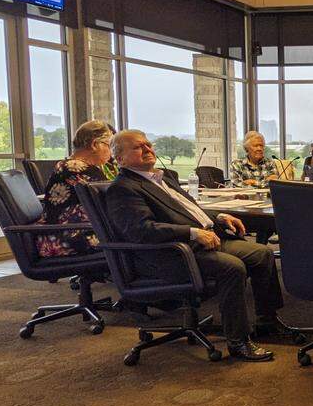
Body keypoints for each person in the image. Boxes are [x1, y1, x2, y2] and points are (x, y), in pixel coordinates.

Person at [105, 129, 282, 362]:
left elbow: (190, 210)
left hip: (202, 241)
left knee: (262, 254)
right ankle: (238, 341)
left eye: (148, 144)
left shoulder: (163, 178)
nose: (148, 149)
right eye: (139, 147)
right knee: (233, 267)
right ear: (120, 159)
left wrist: (218, 217)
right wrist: (192, 233)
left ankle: (267, 322)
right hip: (173, 253)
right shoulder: (123, 188)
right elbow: (142, 230)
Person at [35, 120, 113, 258]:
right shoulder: (77, 168)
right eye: (109, 145)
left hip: (61, 235)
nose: (111, 152)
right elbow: (109, 200)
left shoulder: (68, 164)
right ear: (95, 144)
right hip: (68, 238)